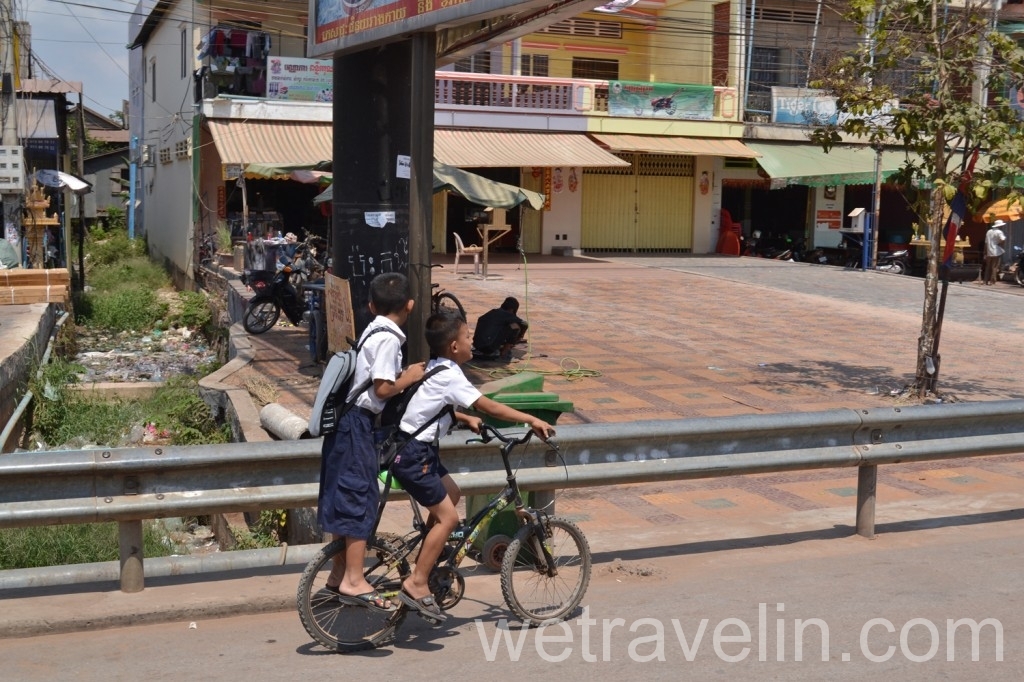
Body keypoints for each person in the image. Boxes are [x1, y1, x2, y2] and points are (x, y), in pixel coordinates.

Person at [390, 311, 555, 623]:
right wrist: (531, 419)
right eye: (467, 337)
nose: (471, 342)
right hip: (414, 455)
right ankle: (416, 582)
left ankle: (432, 555)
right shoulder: (451, 374)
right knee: (449, 519)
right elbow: (489, 405)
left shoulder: (438, 366)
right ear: (454, 346)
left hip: (415, 448)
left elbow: (431, 405)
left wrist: (463, 418)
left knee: (451, 493)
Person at [316, 272, 425, 612]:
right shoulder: (389, 338)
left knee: (344, 493)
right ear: (410, 305)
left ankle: (337, 576)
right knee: (359, 496)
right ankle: (353, 579)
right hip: (356, 425)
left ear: (371, 305)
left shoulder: (372, 329)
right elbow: (381, 388)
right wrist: (409, 377)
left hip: (346, 424)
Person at [472, 296, 528, 361]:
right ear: (512, 310)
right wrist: (519, 337)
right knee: (515, 327)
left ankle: (495, 345)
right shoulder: (508, 314)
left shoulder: (492, 312)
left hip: (477, 345)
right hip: (488, 349)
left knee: (498, 327)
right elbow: (525, 324)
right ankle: (504, 353)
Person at [984, 219, 1007, 285]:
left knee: (988, 266)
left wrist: (985, 252)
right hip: (996, 251)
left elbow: (986, 243)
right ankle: (992, 281)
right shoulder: (999, 232)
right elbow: (1003, 239)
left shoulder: (988, 232)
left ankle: (985, 280)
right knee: (994, 266)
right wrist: (1000, 243)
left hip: (989, 251)